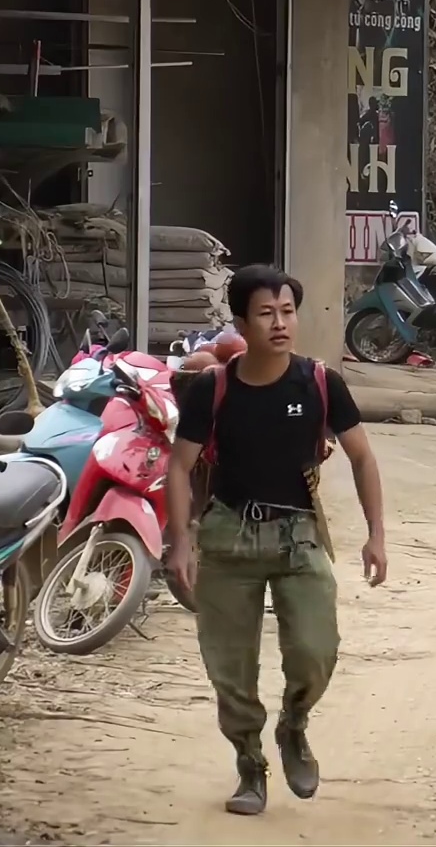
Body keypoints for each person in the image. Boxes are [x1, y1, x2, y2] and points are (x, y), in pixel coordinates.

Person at [165, 264, 390, 817]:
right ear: (241, 322)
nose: (280, 323)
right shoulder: (213, 388)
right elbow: (178, 468)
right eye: (266, 314)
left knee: (315, 652)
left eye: (287, 311)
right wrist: (179, 542)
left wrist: (375, 535)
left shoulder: (318, 383)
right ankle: (249, 765)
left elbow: (361, 456)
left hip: (299, 537)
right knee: (229, 667)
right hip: (227, 536)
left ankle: (294, 725)